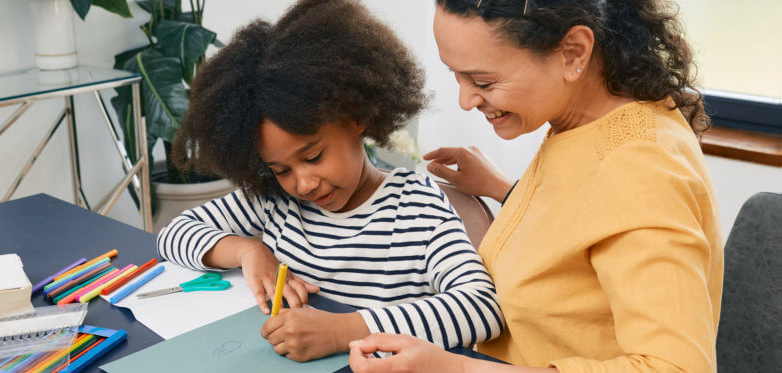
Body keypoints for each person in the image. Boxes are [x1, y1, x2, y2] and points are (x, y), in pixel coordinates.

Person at [349, 0, 722, 372]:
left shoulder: (642, 172)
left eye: (483, 81)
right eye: (455, 76)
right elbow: (588, 229)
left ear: (572, 53)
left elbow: (676, 367)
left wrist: (456, 369)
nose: (466, 100)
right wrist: (505, 190)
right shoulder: (590, 124)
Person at [158, 0, 504, 363]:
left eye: (313, 157)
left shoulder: (416, 206)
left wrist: (343, 331)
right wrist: (249, 250)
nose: (303, 184)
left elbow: (482, 307)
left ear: (356, 118)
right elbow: (174, 234)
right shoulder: (275, 200)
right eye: (281, 169)